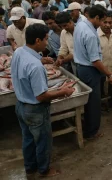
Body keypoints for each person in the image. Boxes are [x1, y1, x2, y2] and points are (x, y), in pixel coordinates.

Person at [11, 23, 75, 178]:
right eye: (46, 39)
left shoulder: (19, 51)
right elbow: (41, 96)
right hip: (35, 110)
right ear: (38, 40)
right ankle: (44, 170)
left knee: (28, 138)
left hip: (20, 105)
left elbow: (26, 67)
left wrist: (42, 60)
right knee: (43, 140)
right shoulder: (35, 67)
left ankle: (30, 167)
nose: (47, 42)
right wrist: (63, 92)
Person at [74, 5, 112, 139]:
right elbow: (95, 60)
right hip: (90, 70)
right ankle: (92, 132)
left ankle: (88, 127)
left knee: (89, 102)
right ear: (97, 18)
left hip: (81, 67)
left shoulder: (81, 24)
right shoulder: (90, 34)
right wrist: (109, 74)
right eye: (103, 20)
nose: (104, 24)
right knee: (93, 103)